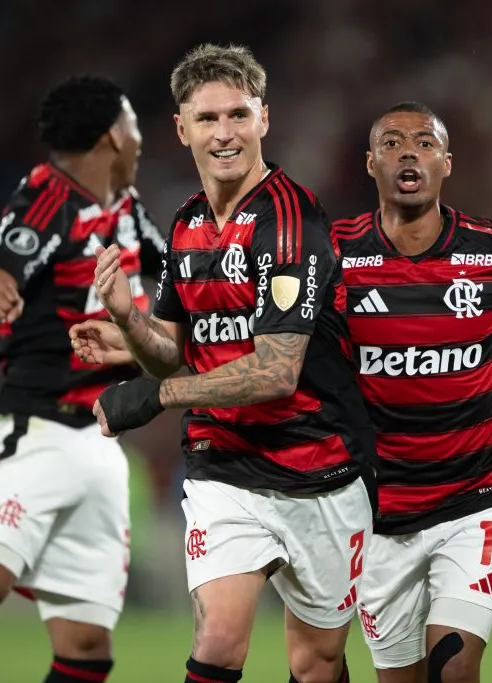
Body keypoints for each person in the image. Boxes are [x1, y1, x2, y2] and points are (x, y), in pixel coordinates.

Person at [69, 43, 374, 683]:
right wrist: (129, 319)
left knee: (315, 663)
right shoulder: (184, 224)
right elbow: (173, 353)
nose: (225, 133)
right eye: (207, 119)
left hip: (317, 465)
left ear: (264, 119)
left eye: (238, 115)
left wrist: (155, 397)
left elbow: (276, 371)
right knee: (217, 642)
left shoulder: (291, 220)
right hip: (223, 466)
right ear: (181, 130)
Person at [0, 76, 163, 683]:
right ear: (114, 132)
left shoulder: (130, 212)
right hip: (36, 429)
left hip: (100, 442)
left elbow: (190, 278)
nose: (140, 138)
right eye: (134, 123)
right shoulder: (47, 195)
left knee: (86, 648)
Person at [331, 101, 492, 683]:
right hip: (376, 508)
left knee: (455, 667)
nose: (407, 152)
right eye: (391, 143)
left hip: (477, 493)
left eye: (424, 142)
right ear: (370, 164)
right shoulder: (332, 254)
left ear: (446, 163)